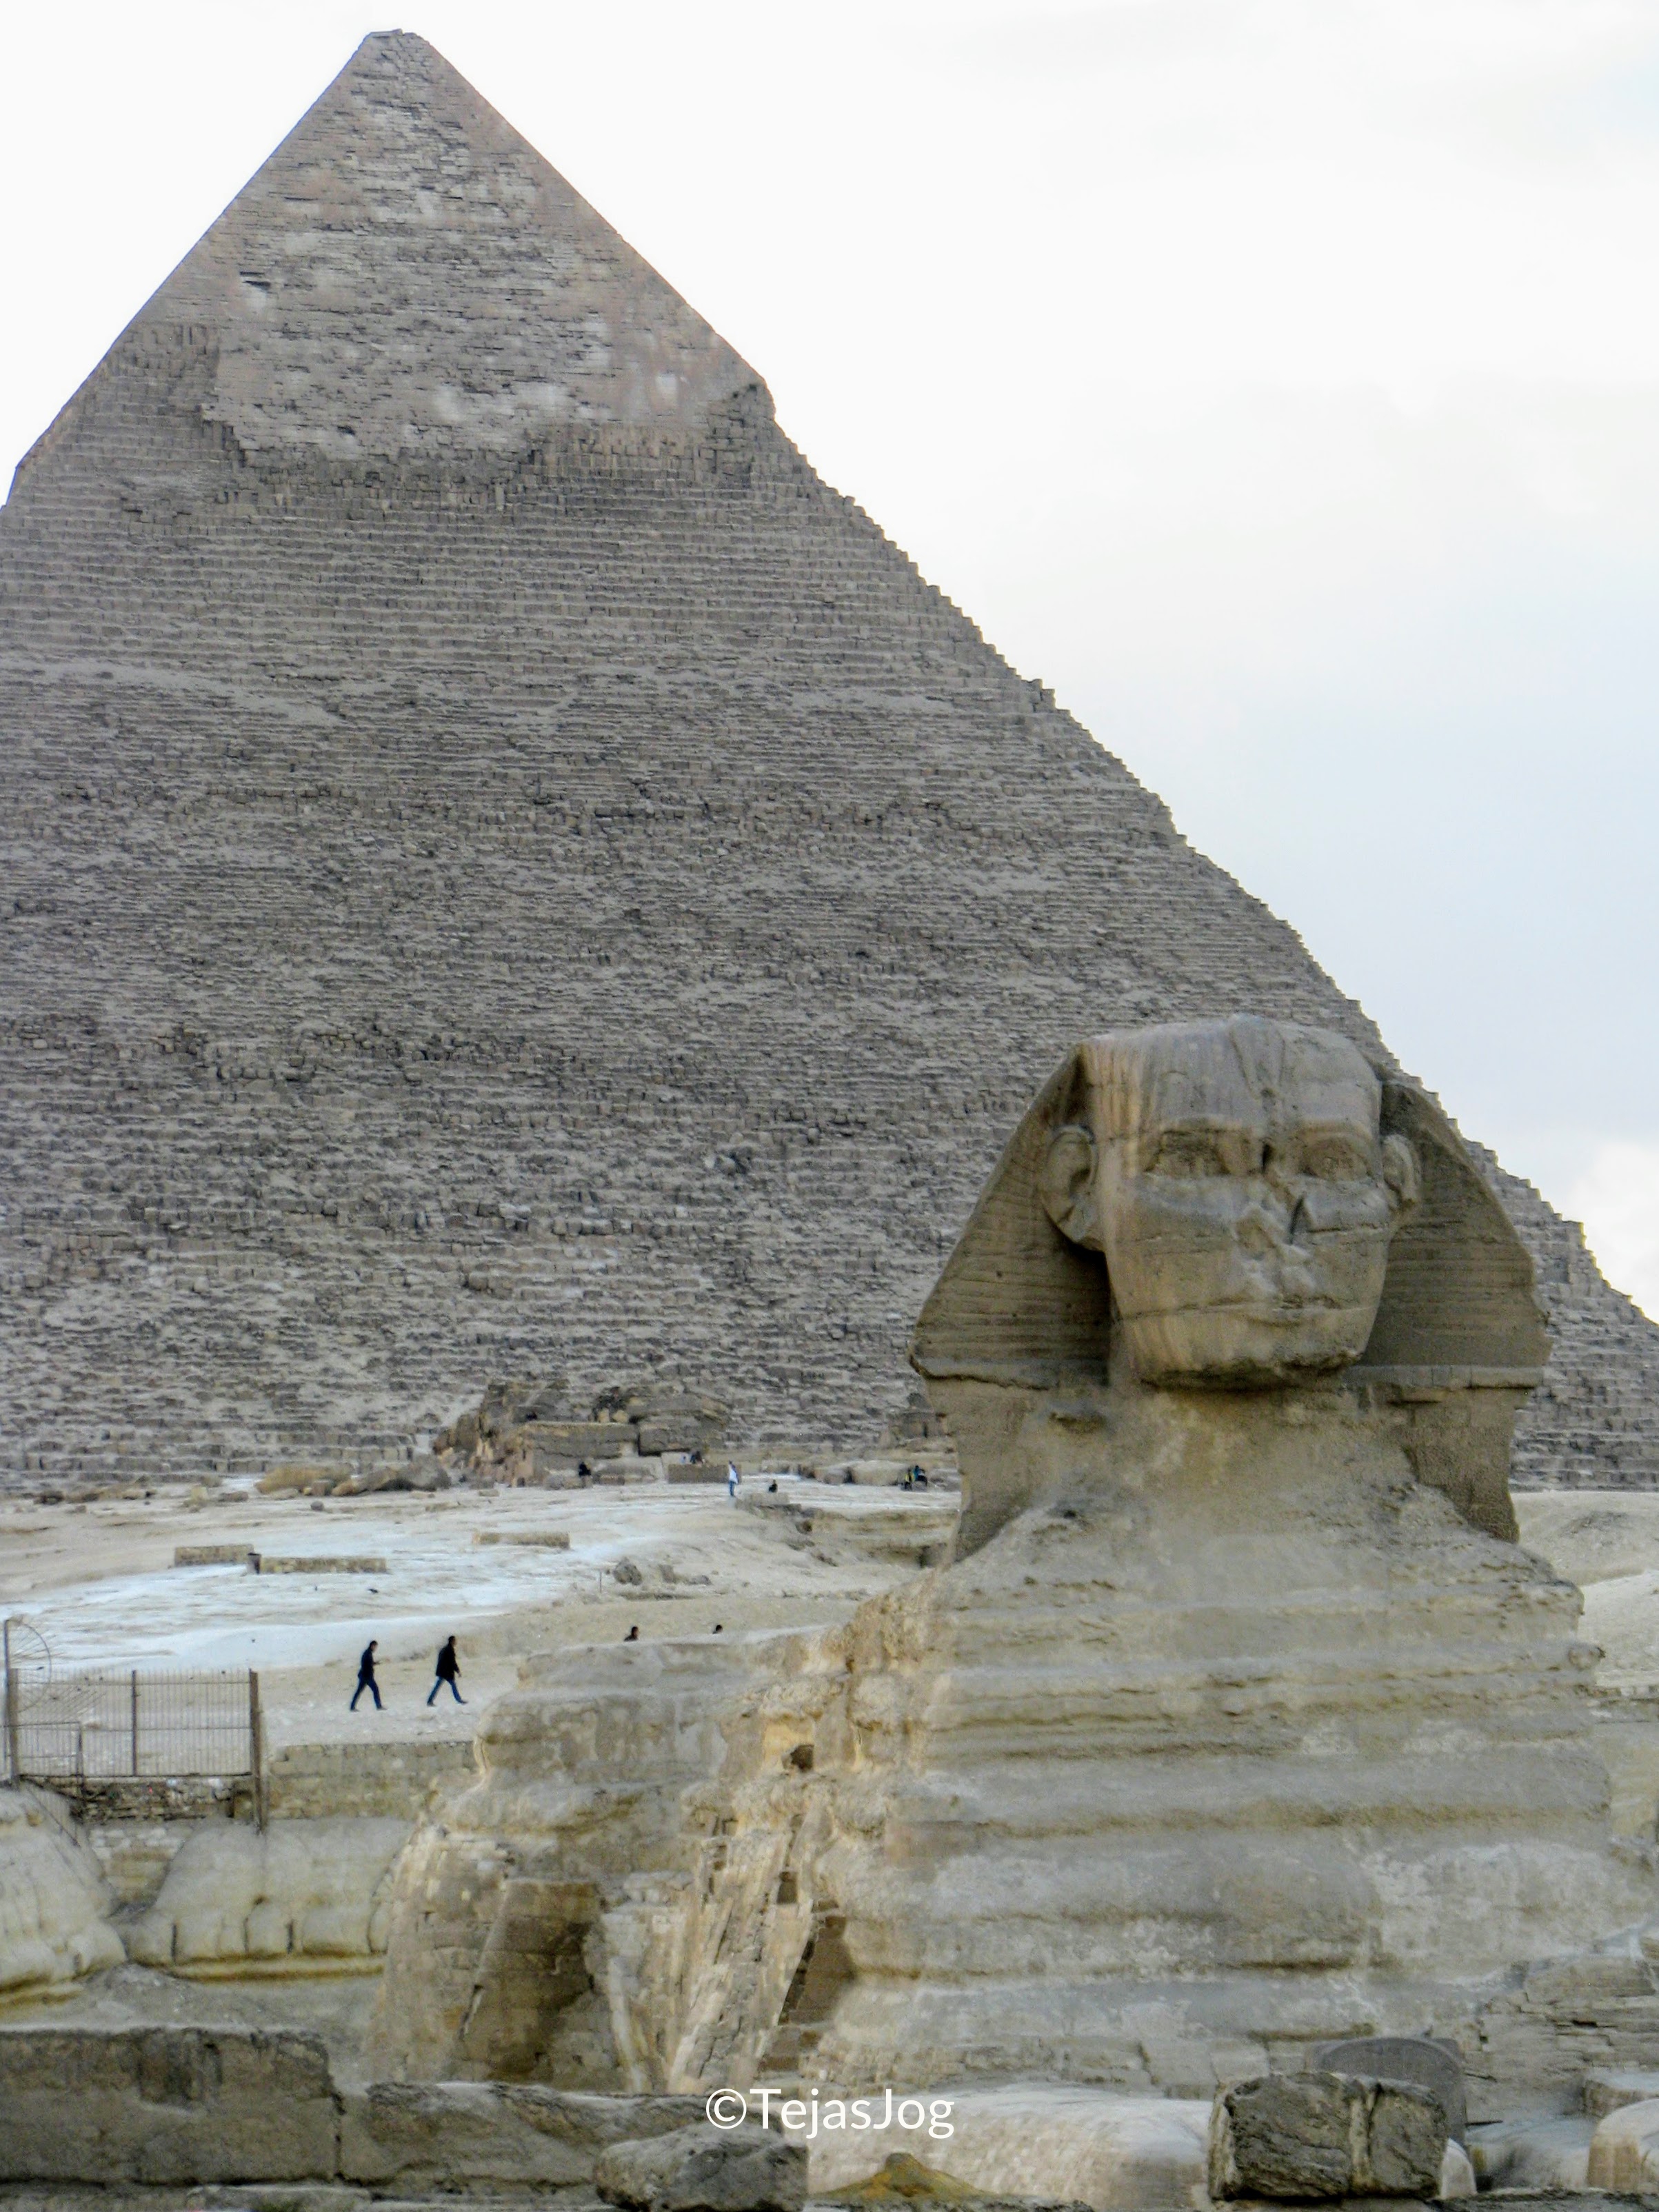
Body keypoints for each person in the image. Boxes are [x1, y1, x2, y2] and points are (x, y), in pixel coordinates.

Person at [425, 1634, 465, 1705]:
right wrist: (458, 1671)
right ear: (452, 1641)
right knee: (452, 1685)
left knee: (438, 1686)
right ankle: (459, 1700)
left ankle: (429, 1701)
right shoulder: (450, 1650)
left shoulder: (444, 1649)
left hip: (442, 1671)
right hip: (446, 1672)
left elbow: (442, 1661)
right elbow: (452, 1662)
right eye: (455, 1640)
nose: (456, 1642)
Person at [350, 1640, 381, 1711]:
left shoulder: (367, 1653)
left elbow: (368, 1663)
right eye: (375, 1647)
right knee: (375, 1690)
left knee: (359, 1692)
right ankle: (378, 1706)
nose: (376, 1648)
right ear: (372, 1646)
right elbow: (366, 1664)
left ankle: (352, 1707)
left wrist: (375, 1663)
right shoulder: (367, 1654)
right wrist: (373, 1665)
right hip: (367, 1676)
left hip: (364, 1676)